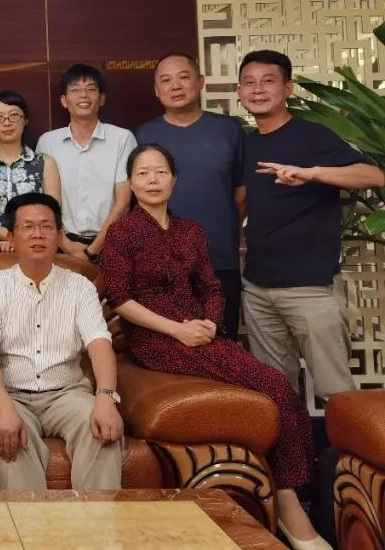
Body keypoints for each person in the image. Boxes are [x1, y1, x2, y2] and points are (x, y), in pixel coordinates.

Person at [103, 143, 328, 550]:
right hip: (156, 338)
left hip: (201, 333)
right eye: (143, 173)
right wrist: (177, 330)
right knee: (276, 385)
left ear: (174, 179)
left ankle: (292, 493)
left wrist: (208, 320)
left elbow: (210, 285)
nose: (152, 181)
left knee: (278, 387)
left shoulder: (191, 230)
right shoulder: (122, 233)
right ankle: (290, 500)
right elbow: (120, 298)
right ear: (130, 183)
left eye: (160, 172)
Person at [237, 50, 384, 399]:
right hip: (257, 288)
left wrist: (313, 173)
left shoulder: (313, 136)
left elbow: (373, 174)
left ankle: (351, 440)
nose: (257, 89)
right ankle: (294, 440)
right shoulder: (246, 144)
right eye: (249, 83)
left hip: (311, 289)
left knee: (337, 393)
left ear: (287, 88)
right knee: (277, 394)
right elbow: (242, 202)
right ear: (239, 92)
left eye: (268, 81)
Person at [0, 192, 123, 490]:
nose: (37, 234)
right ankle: (29, 521)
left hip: (67, 393)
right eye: (27, 227)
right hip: (9, 394)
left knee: (101, 428)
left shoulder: (80, 287)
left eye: (46, 226)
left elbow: (100, 345)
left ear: (59, 235)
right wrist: (2, 407)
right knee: (11, 438)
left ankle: (98, 519)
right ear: (11, 237)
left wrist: (106, 397)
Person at [136, 53, 246, 336]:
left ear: (201, 82)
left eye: (184, 77)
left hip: (219, 258)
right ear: (156, 90)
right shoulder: (144, 135)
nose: (175, 86)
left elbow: (241, 192)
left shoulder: (229, 130)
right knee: (171, 346)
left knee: (222, 342)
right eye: (166, 80)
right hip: (162, 263)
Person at [37, 64, 135, 264]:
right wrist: (66, 245)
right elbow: (44, 203)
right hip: (62, 247)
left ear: (102, 98)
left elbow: (123, 203)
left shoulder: (122, 138)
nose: (83, 95)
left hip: (112, 244)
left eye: (91, 89)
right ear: (64, 100)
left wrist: (93, 250)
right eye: (75, 90)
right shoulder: (47, 142)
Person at [0, 90, 61, 251]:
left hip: (37, 245)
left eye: (14, 115)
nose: (7, 123)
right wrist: (11, 238)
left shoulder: (45, 163)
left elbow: (52, 214)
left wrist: (20, 240)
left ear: (25, 120)